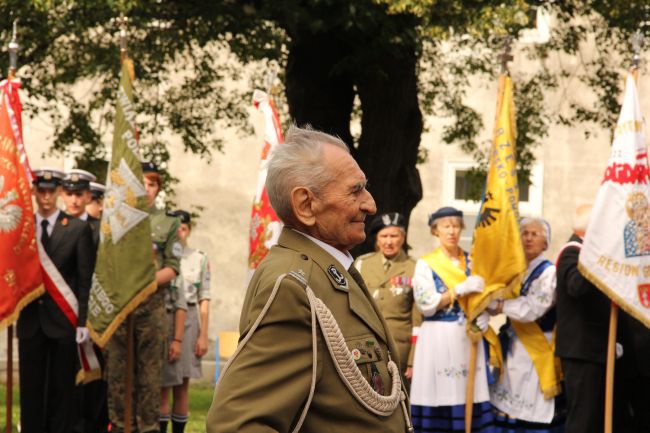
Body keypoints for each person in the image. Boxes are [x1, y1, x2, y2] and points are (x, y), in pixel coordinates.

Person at [206, 126, 412, 433]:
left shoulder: (328, 270)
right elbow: (236, 424)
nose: (371, 204)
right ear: (305, 205)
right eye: (355, 190)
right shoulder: (292, 286)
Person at [106, 162, 182, 433]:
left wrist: (144, 284)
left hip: (151, 308)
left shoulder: (168, 222)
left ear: (157, 189)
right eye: (142, 184)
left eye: (152, 184)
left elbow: (173, 266)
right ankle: (119, 426)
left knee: (150, 376)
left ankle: (147, 428)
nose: (147, 189)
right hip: (120, 306)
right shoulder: (117, 219)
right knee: (117, 373)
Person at [18, 168, 95, 433]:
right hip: (30, 320)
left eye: (52, 191)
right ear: (35, 192)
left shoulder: (77, 228)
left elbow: (84, 279)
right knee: (31, 388)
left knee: (61, 390)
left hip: (64, 320)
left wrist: (83, 320)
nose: (47, 197)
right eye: (42, 191)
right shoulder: (23, 228)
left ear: (60, 193)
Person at [410, 206, 493, 433]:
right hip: (438, 335)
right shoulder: (426, 264)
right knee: (440, 391)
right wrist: (458, 290)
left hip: (467, 336)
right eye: (446, 226)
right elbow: (426, 304)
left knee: (468, 391)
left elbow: (487, 297)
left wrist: (484, 313)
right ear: (435, 231)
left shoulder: (472, 261)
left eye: (456, 226)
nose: (452, 231)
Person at [488, 217, 564, 432]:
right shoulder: (515, 270)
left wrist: (500, 306)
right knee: (507, 400)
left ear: (545, 243)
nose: (529, 238)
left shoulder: (548, 272)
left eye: (535, 234)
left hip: (537, 343)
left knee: (530, 401)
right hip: (513, 342)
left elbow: (533, 308)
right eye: (525, 233)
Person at [555, 204, 620, 433]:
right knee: (582, 419)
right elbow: (576, 287)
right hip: (581, 349)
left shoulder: (588, 253)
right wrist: (597, 258)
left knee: (597, 418)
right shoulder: (572, 252)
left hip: (598, 348)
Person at [62, 169, 110, 433]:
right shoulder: (57, 227)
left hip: (92, 315)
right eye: (69, 194)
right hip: (62, 316)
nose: (76, 201)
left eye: (82, 195)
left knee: (92, 381)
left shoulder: (96, 233)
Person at [160, 210, 212, 433]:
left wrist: (202, 335)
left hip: (189, 320)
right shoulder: (162, 256)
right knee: (162, 384)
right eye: (176, 228)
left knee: (182, 384)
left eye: (184, 228)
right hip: (164, 316)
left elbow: (204, 298)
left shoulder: (199, 258)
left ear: (189, 230)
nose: (180, 232)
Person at [354, 212, 421, 380]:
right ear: (377, 239)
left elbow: (418, 320)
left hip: (400, 349)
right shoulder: (362, 264)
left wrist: (414, 360)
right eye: (384, 236)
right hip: (367, 346)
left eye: (394, 236)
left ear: (403, 237)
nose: (389, 241)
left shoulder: (416, 268)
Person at [61, 169, 99, 246]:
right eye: (69, 194)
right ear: (62, 196)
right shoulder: (55, 224)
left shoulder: (99, 227)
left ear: (88, 196)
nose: (74, 201)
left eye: (79, 195)